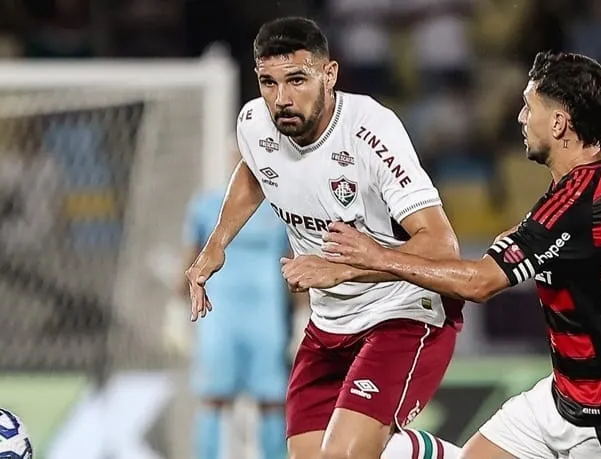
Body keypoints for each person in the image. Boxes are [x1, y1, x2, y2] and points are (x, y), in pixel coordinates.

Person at [305, 51, 601, 458]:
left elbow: (482, 284)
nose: (520, 117)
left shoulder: (576, 207)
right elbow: (538, 235)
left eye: (529, 106)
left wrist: (376, 256)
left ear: (558, 123)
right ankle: (391, 447)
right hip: (566, 396)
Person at [184, 17, 465, 459]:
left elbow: (441, 247)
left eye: (297, 79)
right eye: (268, 83)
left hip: (403, 314)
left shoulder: (371, 131)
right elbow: (256, 169)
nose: (281, 99)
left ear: (329, 74)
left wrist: (340, 268)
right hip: (330, 323)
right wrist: (218, 241)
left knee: (346, 456)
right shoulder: (255, 123)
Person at [181, 159, 293, 459]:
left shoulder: (281, 208)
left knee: (271, 400)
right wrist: (177, 306)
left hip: (267, 318)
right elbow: (191, 262)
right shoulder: (206, 206)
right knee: (214, 397)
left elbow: (292, 264)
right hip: (218, 317)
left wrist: (304, 314)